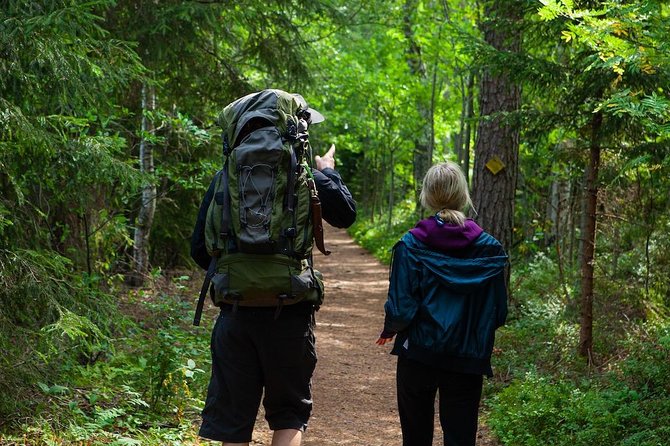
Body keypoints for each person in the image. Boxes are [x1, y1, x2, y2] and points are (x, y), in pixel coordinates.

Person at [191, 94, 356, 446]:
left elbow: (200, 250)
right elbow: (346, 215)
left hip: (236, 314)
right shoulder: (306, 178)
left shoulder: (225, 179)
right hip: (289, 312)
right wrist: (329, 172)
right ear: (296, 132)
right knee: (289, 415)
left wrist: (242, 271)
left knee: (233, 423)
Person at [376, 161, 508, 446]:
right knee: (461, 438)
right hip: (469, 357)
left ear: (428, 196)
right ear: (463, 195)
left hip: (418, 354)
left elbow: (400, 307)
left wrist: (390, 328)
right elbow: (499, 312)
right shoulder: (491, 248)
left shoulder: (411, 244)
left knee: (416, 437)